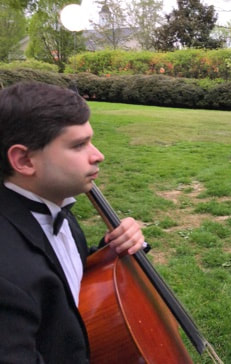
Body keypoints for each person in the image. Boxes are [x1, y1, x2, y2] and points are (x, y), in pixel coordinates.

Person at [0, 82, 151, 362]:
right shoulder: (6, 274)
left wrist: (110, 252)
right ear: (24, 160)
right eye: (79, 145)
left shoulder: (57, 209)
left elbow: (59, 274)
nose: (98, 155)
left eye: (90, 140)